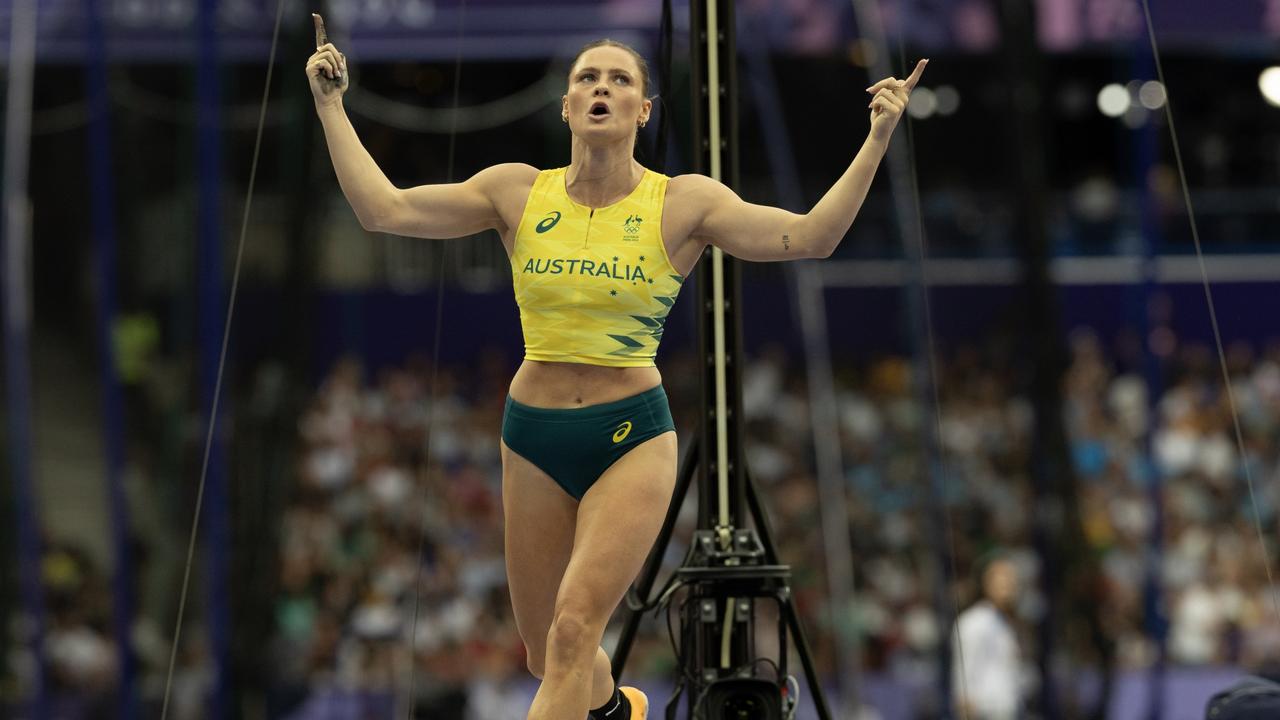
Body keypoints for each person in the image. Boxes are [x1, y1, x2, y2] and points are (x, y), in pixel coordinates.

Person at [306, 15, 925, 720]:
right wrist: (330, 105)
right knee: (546, 654)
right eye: (586, 79)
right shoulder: (513, 191)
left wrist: (877, 136)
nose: (601, 88)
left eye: (619, 80)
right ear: (567, 105)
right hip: (532, 435)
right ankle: (613, 711)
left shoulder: (684, 201)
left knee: (574, 630)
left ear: (644, 108)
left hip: (630, 436)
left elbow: (810, 237)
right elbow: (382, 210)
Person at [952, 551, 1025, 720]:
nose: (1008, 583)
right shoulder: (973, 623)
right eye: (1001, 577)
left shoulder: (1008, 624)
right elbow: (963, 681)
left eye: (1011, 578)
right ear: (985, 582)